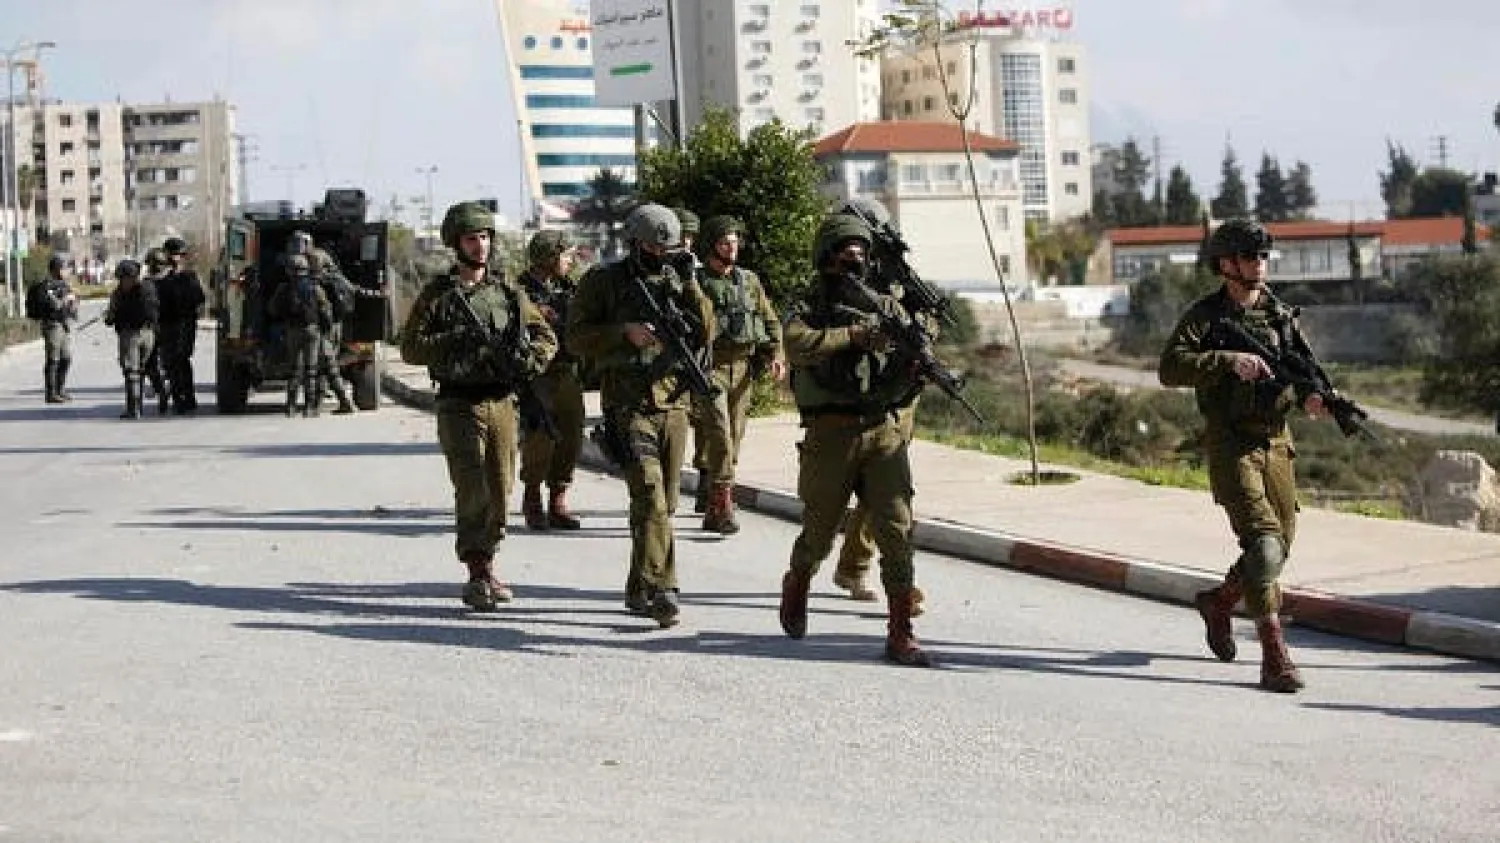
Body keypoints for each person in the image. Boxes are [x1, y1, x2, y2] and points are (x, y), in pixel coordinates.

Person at [1158, 218, 1325, 694]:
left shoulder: (1281, 316)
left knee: (1278, 548)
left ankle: (1220, 602)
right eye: (1252, 257)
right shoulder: (1205, 317)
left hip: (1276, 443)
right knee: (1265, 544)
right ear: (1227, 264)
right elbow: (1170, 368)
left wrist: (1316, 398)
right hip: (1231, 444)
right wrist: (1227, 361)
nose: (1260, 265)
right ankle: (1275, 656)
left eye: (1264, 257)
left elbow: (1306, 371)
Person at [776, 213, 933, 668]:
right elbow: (796, 342)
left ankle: (900, 633)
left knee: (897, 529)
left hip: (882, 431)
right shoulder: (808, 301)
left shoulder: (885, 304)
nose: (856, 259)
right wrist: (854, 336)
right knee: (820, 531)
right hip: (830, 433)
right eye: (846, 252)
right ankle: (798, 583)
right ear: (826, 255)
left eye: (861, 253)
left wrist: (916, 363)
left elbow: (917, 341)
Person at [399, 201, 557, 612]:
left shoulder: (508, 292)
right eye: (472, 238)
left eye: (485, 237)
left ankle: (488, 561)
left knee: (502, 489)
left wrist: (530, 360)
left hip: (502, 401)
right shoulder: (438, 296)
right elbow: (411, 348)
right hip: (458, 404)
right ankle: (476, 569)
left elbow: (545, 337)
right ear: (456, 243)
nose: (480, 246)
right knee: (473, 489)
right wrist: (452, 339)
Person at [569, 203, 715, 628]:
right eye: (652, 247)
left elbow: (708, 331)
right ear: (634, 242)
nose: (660, 254)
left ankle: (638, 585)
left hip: (673, 404)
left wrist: (690, 282)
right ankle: (662, 588)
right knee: (650, 495)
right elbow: (576, 339)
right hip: (627, 405)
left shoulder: (681, 278)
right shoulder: (604, 281)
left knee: (662, 506)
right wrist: (623, 334)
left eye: (667, 248)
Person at [823, 198, 927, 616]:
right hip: (857, 393)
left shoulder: (894, 272)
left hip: (900, 390)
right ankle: (869, 572)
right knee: (876, 491)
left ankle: (856, 566)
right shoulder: (838, 269)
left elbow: (921, 315)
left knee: (888, 492)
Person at [688, 215, 784, 534]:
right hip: (709, 366)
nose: (732, 247)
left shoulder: (750, 281)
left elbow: (770, 321)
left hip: (742, 369)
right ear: (712, 246)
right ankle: (722, 501)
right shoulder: (696, 281)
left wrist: (775, 354)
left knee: (736, 434)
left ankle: (715, 494)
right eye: (725, 242)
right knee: (719, 433)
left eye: (735, 242)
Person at [516, 229, 586, 531]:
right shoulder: (519, 292)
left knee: (571, 434)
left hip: (567, 371)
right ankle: (532, 497)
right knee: (539, 437)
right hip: (537, 375)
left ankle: (558, 498)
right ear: (548, 257)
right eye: (565, 255)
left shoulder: (569, 287)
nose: (570, 261)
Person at [269, 253, 331, 417]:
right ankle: (309, 408)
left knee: (294, 370)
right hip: (312, 331)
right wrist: (325, 328)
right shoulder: (315, 288)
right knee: (311, 370)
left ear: (289, 271)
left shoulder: (283, 288)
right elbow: (325, 311)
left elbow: (272, 309)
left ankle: (290, 407)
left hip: (292, 331)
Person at [102, 259, 161, 419]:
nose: (121, 282)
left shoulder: (120, 294)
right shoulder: (149, 288)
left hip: (132, 335)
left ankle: (133, 409)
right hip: (149, 335)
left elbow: (110, 316)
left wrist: (110, 317)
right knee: (141, 370)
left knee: (132, 372)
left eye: (122, 278)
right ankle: (154, 397)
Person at [156, 237, 206, 414]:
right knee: (170, 362)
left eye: (179, 255)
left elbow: (200, 300)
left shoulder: (190, 277)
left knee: (182, 360)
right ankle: (178, 398)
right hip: (167, 324)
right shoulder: (161, 278)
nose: (176, 258)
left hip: (185, 324)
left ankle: (187, 397)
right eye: (173, 254)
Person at [308, 246, 358, 415]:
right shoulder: (336, 279)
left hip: (325, 327)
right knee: (325, 364)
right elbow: (352, 292)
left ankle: (343, 402)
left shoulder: (317, 283)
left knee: (327, 364)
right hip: (335, 325)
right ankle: (318, 401)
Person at [26, 255, 79, 403]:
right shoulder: (46, 287)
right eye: (63, 268)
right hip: (52, 325)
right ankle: (51, 393)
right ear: (56, 269)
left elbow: (72, 303)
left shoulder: (64, 284)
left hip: (63, 325)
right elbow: (53, 305)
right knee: (53, 359)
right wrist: (65, 301)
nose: (66, 271)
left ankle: (60, 389)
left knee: (66, 358)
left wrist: (73, 306)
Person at [140, 249, 172, 414]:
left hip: (162, 328)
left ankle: (163, 391)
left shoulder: (151, 284)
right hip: (158, 329)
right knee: (153, 364)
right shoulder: (147, 284)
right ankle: (163, 392)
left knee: (153, 365)